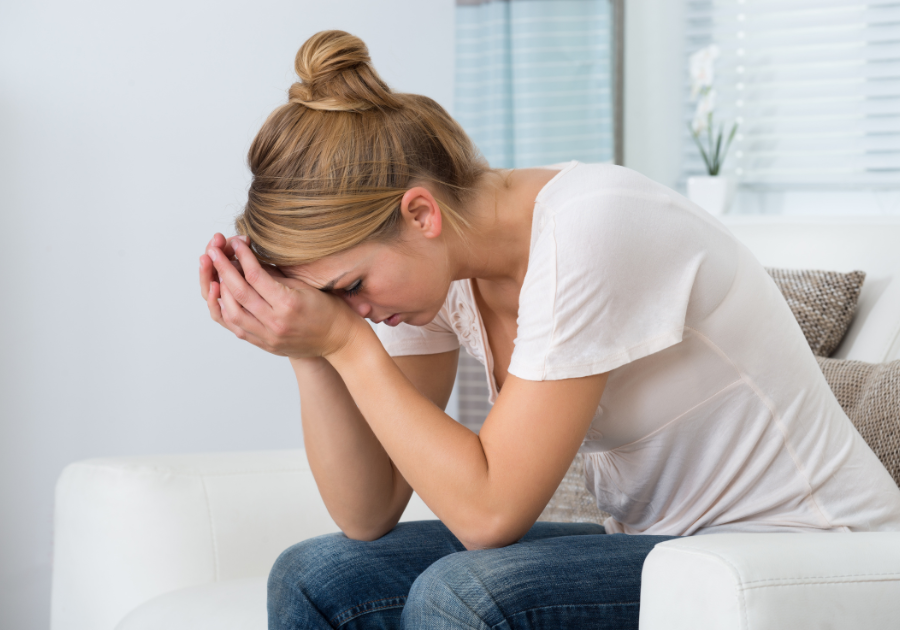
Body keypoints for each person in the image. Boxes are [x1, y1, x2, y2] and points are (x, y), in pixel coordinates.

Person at [198, 30, 900, 630]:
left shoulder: (591, 223)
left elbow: (489, 513)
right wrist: (306, 349)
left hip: (806, 551)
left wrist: (345, 347)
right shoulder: (431, 274)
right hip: (667, 545)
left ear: (420, 214)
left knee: (467, 596)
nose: (355, 313)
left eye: (350, 287)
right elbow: (367, 509)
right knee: (318, 574)